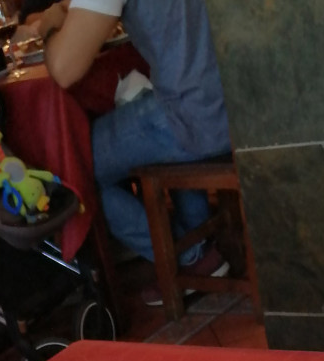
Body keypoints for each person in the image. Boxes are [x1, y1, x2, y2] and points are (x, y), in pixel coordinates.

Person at [30, 0, 231, 301]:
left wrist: (49, 27)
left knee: (68, 167)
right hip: (244, 95)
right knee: (160, 91)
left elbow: (64, 69)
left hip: (199, 115)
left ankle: (189, 257)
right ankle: (197, 238)